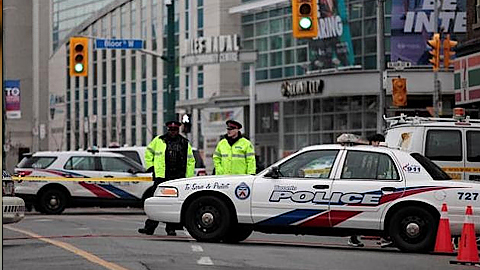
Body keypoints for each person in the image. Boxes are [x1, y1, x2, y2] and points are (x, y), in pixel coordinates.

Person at [138, 120, 196, 236]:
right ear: (168, 130)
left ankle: (171, 228)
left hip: (178, 177)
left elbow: (190, 161)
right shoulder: (159, 140)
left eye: (175, 130)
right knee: (156, 201)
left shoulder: (184, 143)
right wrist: (151, 166)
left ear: (178, 130)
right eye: (171, 130)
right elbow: (148, 153)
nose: (173, 132)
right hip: (162, 176)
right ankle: (149, 227)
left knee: (173, 203)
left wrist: (188, 178)